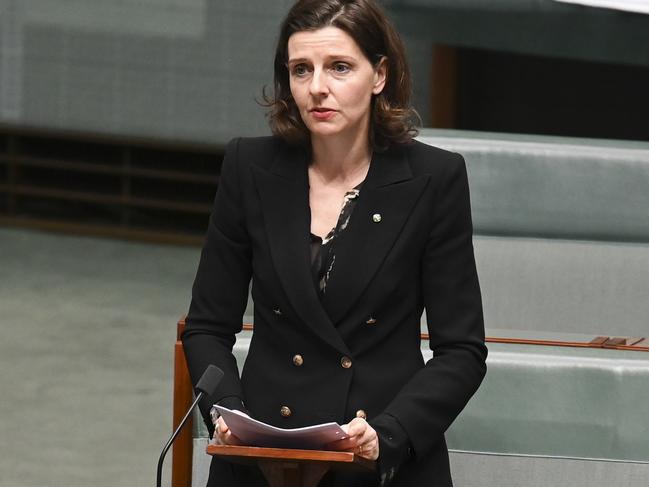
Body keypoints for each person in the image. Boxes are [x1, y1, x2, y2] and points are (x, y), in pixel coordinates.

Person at [182, 0, 487, 485]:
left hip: (372, 453)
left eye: (339, 67)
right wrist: (227, 417)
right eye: (301, 69)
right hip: (262, 453)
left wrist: (388, 435)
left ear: (379, 75)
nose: (317, 87)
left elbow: (462, 352)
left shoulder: (434, 178)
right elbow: (206, 327)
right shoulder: (249, 167)